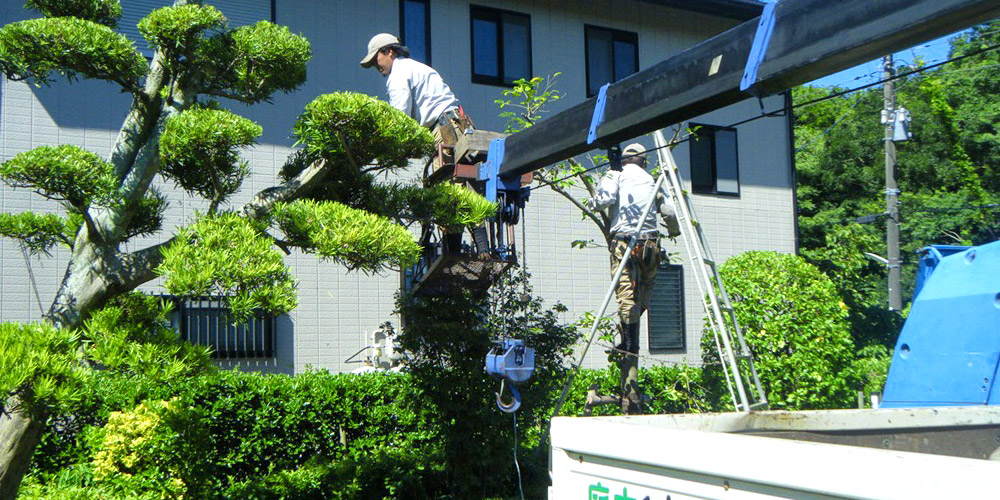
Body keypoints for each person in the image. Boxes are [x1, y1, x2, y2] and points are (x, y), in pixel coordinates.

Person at [589, 142, 680, 412]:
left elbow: (600, 202)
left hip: (625, 244)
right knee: (642, 296)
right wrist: (672, 231)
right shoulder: (653, 179)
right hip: (652, 247)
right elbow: (671, 212)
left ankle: (628, 344)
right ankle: (632, 338)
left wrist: (607, 177)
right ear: (644, 162)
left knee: (626, 296)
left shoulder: (617, 175)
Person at [360, 33, 471, 172]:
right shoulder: (413, 67)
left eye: (376, 59)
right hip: (455, 125)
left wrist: (386, 146)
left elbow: (399, 115)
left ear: (389, 52)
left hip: (444, 129)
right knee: (461, 178)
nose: (375, 65)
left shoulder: (398, 73)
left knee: (445, 182)